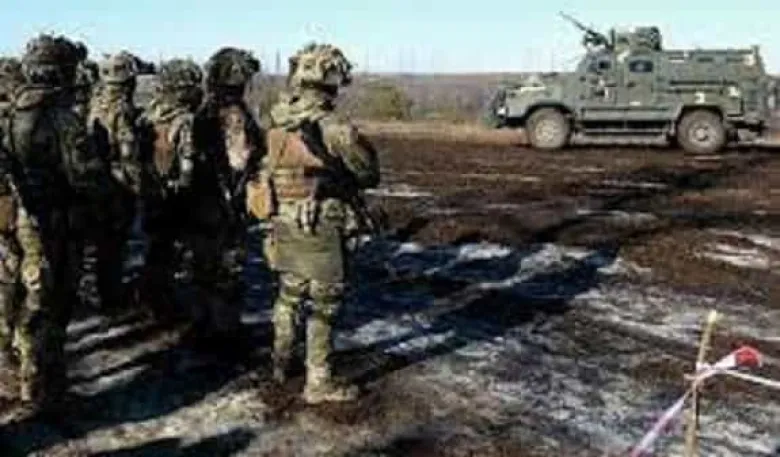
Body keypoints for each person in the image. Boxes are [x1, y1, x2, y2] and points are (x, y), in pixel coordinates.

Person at [246, 43, 380, 403]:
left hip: (283, 218)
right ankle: (318, 381)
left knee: (289, 294)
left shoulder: (277, 120)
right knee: (324, 303)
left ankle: (280, 362)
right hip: (320, 221)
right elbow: (368, 174)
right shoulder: (334, 128)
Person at [2, 34, 108, 411]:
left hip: (12, 220)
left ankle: (16, 372)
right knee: (50, 303)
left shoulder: (7, 111)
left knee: (16, 294)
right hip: (53, 223)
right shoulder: (64, 118)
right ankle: (44, 388)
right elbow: (85, 177)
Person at [190, 47, 263, 345]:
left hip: (201, 200)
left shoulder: (204, 110)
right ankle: (224, 332)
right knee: (226, 269)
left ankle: (202, 323)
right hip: (223, 203)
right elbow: (239, 161)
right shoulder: (233, 115)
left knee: (202, 266)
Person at [137, 58, 203, 324]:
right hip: (173, 195)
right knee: (171, 251)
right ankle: (162, 304)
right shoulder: (184, 121)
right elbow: (188, 162)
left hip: (151, 191)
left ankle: (150, 296)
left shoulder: (149, 115)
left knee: (156, 247)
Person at [87, 51, 143, 314]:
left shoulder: (94, 103)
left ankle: (103, 292)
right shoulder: (121, 110)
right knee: (114, 243)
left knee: (103, 242)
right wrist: (138, 187)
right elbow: (127, 153)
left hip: (96, 180)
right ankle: (111, 298)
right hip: (116, 184)